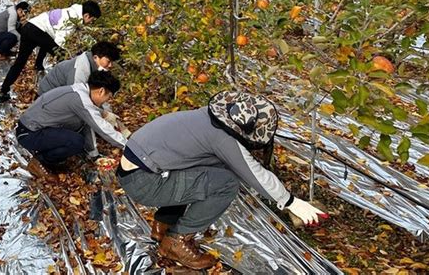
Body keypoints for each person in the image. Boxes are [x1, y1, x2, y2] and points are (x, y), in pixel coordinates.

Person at [116, 91, 329, 270]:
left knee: (206, 170)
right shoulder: (222, 138)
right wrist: (291, 202)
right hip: (144, 181)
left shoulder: (203, 117)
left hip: (136, 169)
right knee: (226, 184)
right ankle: (177, 241)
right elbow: (255, 174)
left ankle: (164, 223)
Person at [15, 71, 127, 182]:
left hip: (30, 128)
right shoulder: (81, 100)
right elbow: (102, 127)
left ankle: (51, 157)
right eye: (109, 97)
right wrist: (128, 147)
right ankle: (40, 161)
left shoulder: (79, 91)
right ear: (101, 91)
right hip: (29, 133)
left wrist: (94, 154)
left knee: (77, 129)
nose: (106, 101)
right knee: (76, 141)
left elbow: (88, 122)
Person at [0, 0, 101, 103]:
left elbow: (51, 38)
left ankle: (3, 92)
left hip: (29, 27)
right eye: (92, 20)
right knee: (62, 57)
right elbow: (59, 43)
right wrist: (69, 56)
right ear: (86, 15)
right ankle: (48, 95)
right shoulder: (71, 20)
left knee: (20, 62)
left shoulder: (72, 11)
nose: (91, 23)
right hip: (37, 31)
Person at [38, 41, 121, 95]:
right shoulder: (81, 69)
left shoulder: (93, 65)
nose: (110, 65)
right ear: (96, 57)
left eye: (112, 62)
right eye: (108, 61)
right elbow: (77, 96)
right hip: (47, 97)